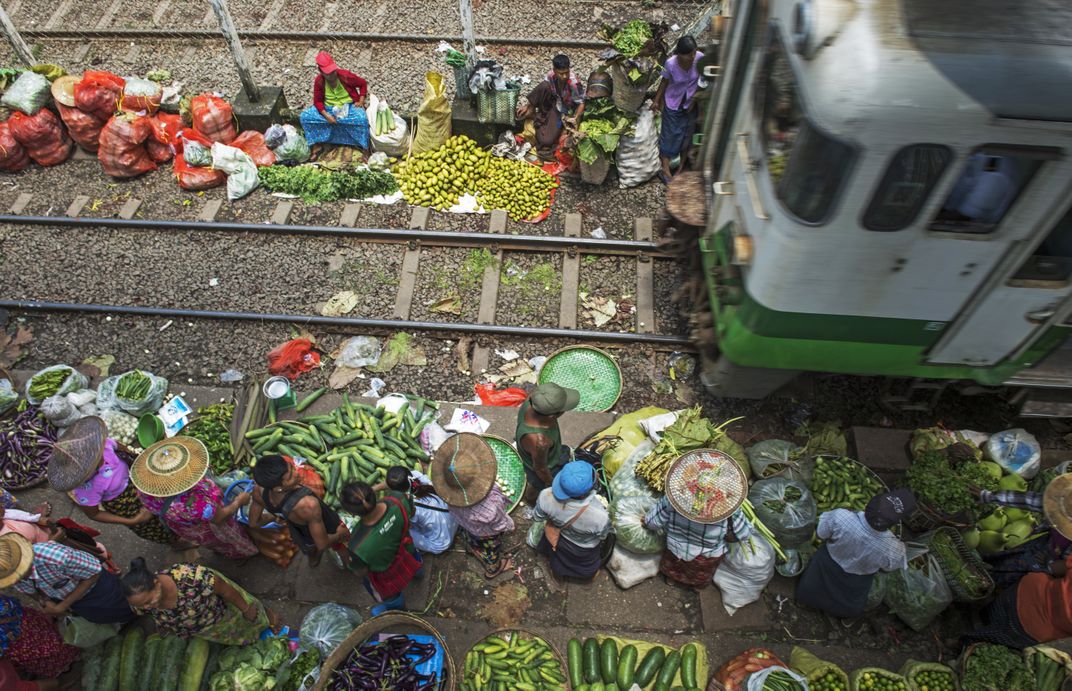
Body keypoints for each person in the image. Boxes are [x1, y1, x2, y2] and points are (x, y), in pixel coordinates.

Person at [962, 474, 1072, 649]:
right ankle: (979, 599)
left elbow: (1062, 568)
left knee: (1013, 587)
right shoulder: (1062, 504)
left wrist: (1047, 569)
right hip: (1044, 552)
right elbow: (1032, 501)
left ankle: (986, 611)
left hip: (1047, 572)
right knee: (1004, 568)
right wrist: (988, 496)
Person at [48, 416, 182, 548]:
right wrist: (133, 521)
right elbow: (94, 514)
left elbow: (123, 449)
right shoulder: (86, 489)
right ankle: (176, 542)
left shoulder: (104, 445)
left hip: (136, 480)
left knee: (171, 507)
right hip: (126, 504)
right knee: (155, 529)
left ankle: (181, 528)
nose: (100, 457)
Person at [130, 437, 257, 560]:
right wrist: (239, 501)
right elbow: (220, 518)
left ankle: (222, 551)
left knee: (214, 544)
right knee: (228, 541)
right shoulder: (199, 501)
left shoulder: (144, 489)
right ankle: (241, 554)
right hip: (209, 527)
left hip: (185, 528)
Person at [795, 490, 914, 620]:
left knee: (813, 586)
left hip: (827, 562)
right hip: (857, 579)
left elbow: (821, 533)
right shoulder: (894, 549)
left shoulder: (841, 517)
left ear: (870, 505)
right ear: (895, 521)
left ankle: (806, 600)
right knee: (846, 602)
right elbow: (887, 569)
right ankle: (840, 614)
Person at [643, 451, 752, 588]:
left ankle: (671, 580)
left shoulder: (675, 498)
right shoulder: (728, 509)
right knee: (699, 574)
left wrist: (646, 522)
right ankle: (696, 586)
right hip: (707, 556)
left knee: (673, 569)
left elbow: (654, 521)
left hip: (676, 549)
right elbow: (744, 533)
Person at [121, 557, 278, 645]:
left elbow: (226, 590)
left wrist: (246, 609)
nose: (147, 607)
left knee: (255, 617)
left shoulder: (193, 578)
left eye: (149, 601)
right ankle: (253, 639)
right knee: (238, 636)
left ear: (156, 583)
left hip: (225, 611)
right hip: (206, 627)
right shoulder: (141, 605)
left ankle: (271, 621)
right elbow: (147, 611)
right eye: (141, 606)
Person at [432, 433, 517, 578]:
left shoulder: (449, 494)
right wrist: (508, 525)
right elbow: (499, 523)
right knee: (491, 550)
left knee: (472, 537)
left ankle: (473, 547)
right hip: (486, 533)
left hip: (467, 525)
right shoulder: (491, 505)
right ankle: (493, 569)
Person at [2, 533, 134, 625]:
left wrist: (61, 607)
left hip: (97, 588)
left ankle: (133, 616)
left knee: (123, 607)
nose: (14, 582)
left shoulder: (57, 558)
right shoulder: (8, 574)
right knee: (99, 617)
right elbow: (30, 591)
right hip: (71, 600)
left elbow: (94, 574)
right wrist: (45, 601)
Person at [339, 481, 422, 616]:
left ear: (352, 513)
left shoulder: (357, 543)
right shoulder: (398, 498)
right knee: (415, 561)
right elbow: (412, 511)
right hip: (408, 550)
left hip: (387, 574)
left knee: (389, 593)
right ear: (374, 494)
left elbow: (360, 572)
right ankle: (418, 572)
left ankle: (397, 607)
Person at [249, 454, 349, 566]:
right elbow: (322, 544)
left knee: (308, 545)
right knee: (340, 546)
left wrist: (274, 516)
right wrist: (338, 535)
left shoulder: (259, 491)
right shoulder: (308, 505)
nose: (297, 474)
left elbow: (254, 522)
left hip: (299, 531)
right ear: (278, 488)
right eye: (290, 477)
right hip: (327, 528)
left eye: (291, 467)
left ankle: (313, 559)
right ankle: (348, 563)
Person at [533, 461, 611, 582]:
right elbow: (602, 536)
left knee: (558, 557)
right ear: (582, 495)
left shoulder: (545, 495)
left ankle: (558, 573)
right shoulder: (600, 516)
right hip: (583, 547)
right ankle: (584, 576)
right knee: (586, 566)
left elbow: (538, 517)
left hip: (560, 537)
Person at [516, 383, 580, 504]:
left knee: (563, 451)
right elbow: (540, 468)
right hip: (540, 465)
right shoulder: (540, 442)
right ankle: (530, 498)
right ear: (552, 416)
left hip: (542, 452)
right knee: (539, 484)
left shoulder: (532, 401)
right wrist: (549, 482)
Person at [652, 36, 705, 184]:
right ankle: (666, 170)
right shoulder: (671, 64)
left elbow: (703, 79)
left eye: (694, 52)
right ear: (679, 54)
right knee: (669, 135)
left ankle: (681, 169)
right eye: (689, 54)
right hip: (673, 103)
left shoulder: (700, 58)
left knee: (687, 135)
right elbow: (664, 82)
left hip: (690, 103)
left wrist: (697, 99)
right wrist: (656, 101)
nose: (692, 56)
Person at [299, 50, 370, 157]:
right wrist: (326, 116)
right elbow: (317, 101)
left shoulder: (345, 76)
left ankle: (364, 147)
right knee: (305, 117)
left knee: (361, 119)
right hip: (328, 108)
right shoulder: (319, 81)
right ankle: (316, 145)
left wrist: (361, 101)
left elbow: (363, 83)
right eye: (328, 73)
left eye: (333, 72)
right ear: (320, 71)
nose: (332, 75)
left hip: (349, 107)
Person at [375, 466, 458, 555]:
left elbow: (404, 524)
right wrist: (373, 489)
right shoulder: (417, 477)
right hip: (455, 521)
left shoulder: (410, 506)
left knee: (396, 530)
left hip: (442, 543)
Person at [516, 54, 585, 160]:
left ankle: (536, 117)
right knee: (544, 85)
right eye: (561, 74)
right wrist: (529, 105)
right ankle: (532, 110)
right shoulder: (551, 75)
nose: (564, 76)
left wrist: (575, 118)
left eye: (566, 72)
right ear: (555, 70)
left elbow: (581, 102)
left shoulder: (574, 83)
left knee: (546, 141)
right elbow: (541, 90)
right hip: (552, 102)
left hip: (563, 111)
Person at [0, 594, 80, 685]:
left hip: (20, 633)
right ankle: (67, 661)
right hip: (19, 633)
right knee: (47, 646)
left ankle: (67, 662)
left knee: (48, 645)